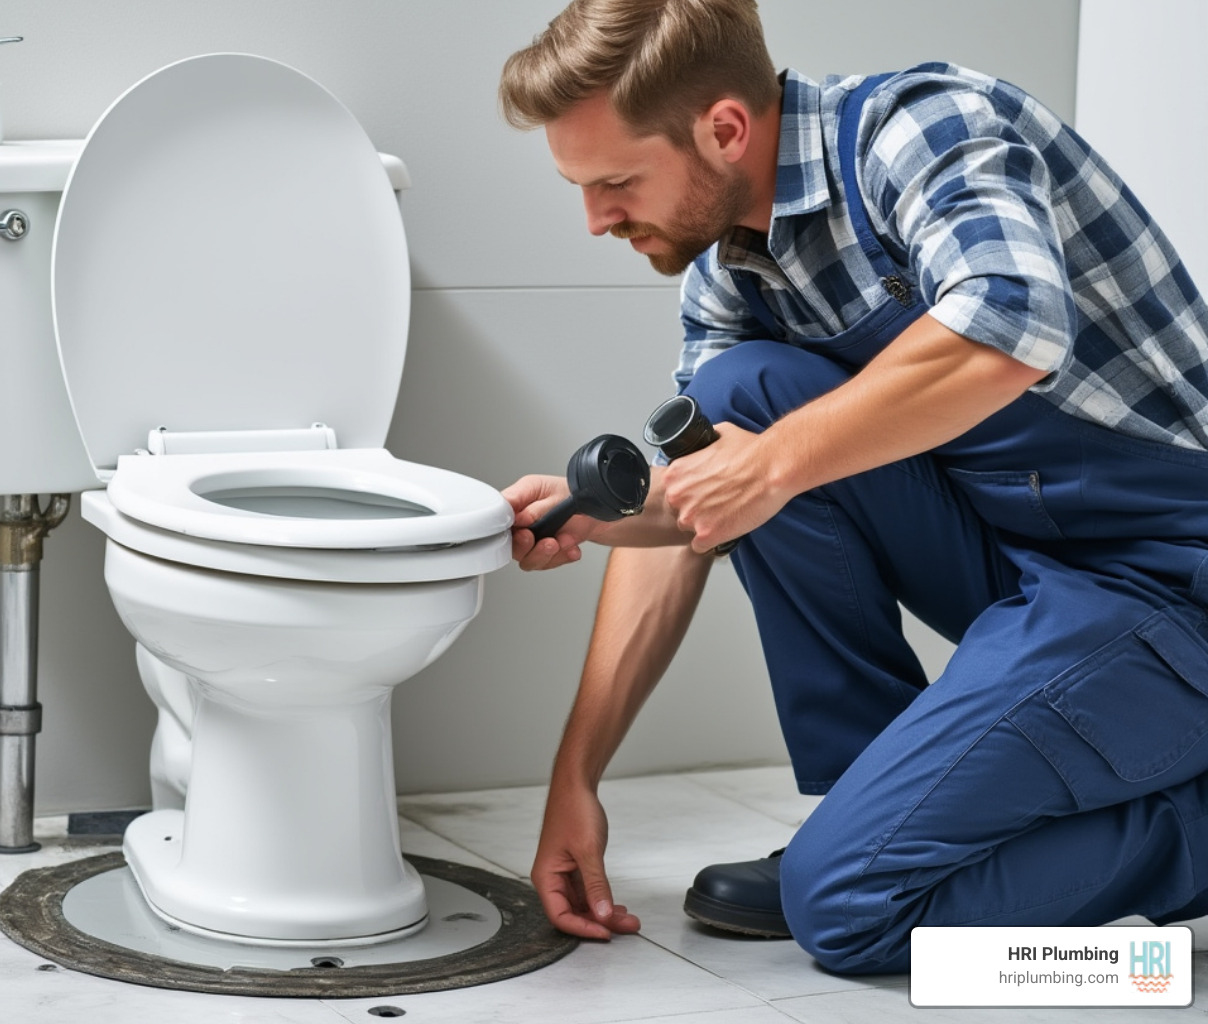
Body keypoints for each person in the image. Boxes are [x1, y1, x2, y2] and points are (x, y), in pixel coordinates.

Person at [497, 0, 1208, 974]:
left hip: (1173, 574)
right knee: (739, 392)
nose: (597, 219)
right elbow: (711, 493)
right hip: (1031, 564)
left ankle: (1187, 839)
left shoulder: (923, 127)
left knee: (844, 909)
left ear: (726, 129)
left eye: (616, 181)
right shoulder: (730, 265)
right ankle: (883, 805)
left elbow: (1011, 323)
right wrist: (575, 770)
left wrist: (774, 462)